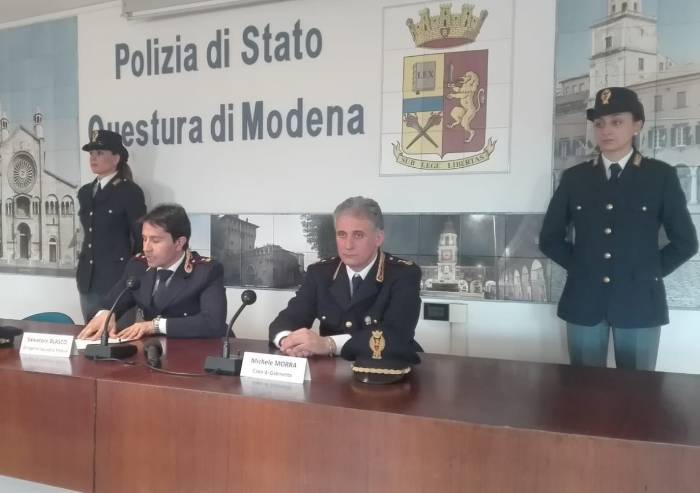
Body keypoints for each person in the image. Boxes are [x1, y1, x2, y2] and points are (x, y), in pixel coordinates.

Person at [540, 86, 698, 370]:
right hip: (584, 299)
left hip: (640, 301)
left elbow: (686, 242)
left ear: (637, 125)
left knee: (637, 391)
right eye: (599, 123)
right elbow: (549, 238)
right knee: (585, 389)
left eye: (616, 121)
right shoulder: (575, 178)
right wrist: (582, 266)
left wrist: (647, 272)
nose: (606, 130)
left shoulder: (660, 176)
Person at [269, 196, 422, 358]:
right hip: (330, 369)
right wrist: (288, 341)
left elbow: (396, 335)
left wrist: (330, 344)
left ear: (378, 238)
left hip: (384, 367)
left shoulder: (403, 274)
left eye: (358, 235)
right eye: (342, 235)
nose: (348, 245)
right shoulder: (320, 273)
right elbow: (287, 320)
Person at [77, 203, 227, 341]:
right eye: (144, 239)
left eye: (155, 241)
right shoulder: (138, 266)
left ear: (179, 243)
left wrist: (154, 326)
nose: (146, 248)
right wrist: (105, 313)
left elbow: (213, 323)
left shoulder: (206, 271)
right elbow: (109, 302)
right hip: (153, 350)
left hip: (196, 350)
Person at [77, 129, 146, 323]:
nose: (93, 158)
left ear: (116, 158)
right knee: (89, 336)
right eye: (91, 153)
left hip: (118, 282)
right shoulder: (85, 192)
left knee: (119, 338)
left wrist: (134, 277)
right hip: (88, 281)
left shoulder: (129, 191)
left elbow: (141, 239)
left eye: (99, 153)